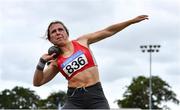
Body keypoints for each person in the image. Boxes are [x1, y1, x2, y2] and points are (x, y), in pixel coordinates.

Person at [33, 15, 148, 109]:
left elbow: (108, 31)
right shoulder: (56, 62)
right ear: (50, 39)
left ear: (66, 33)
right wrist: (41, 62)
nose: (58, 33)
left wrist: (131, 21)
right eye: (53, 32)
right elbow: (38, 82)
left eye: (60, 29)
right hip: (74, 100)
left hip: (96, 97)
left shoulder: (82, 41)